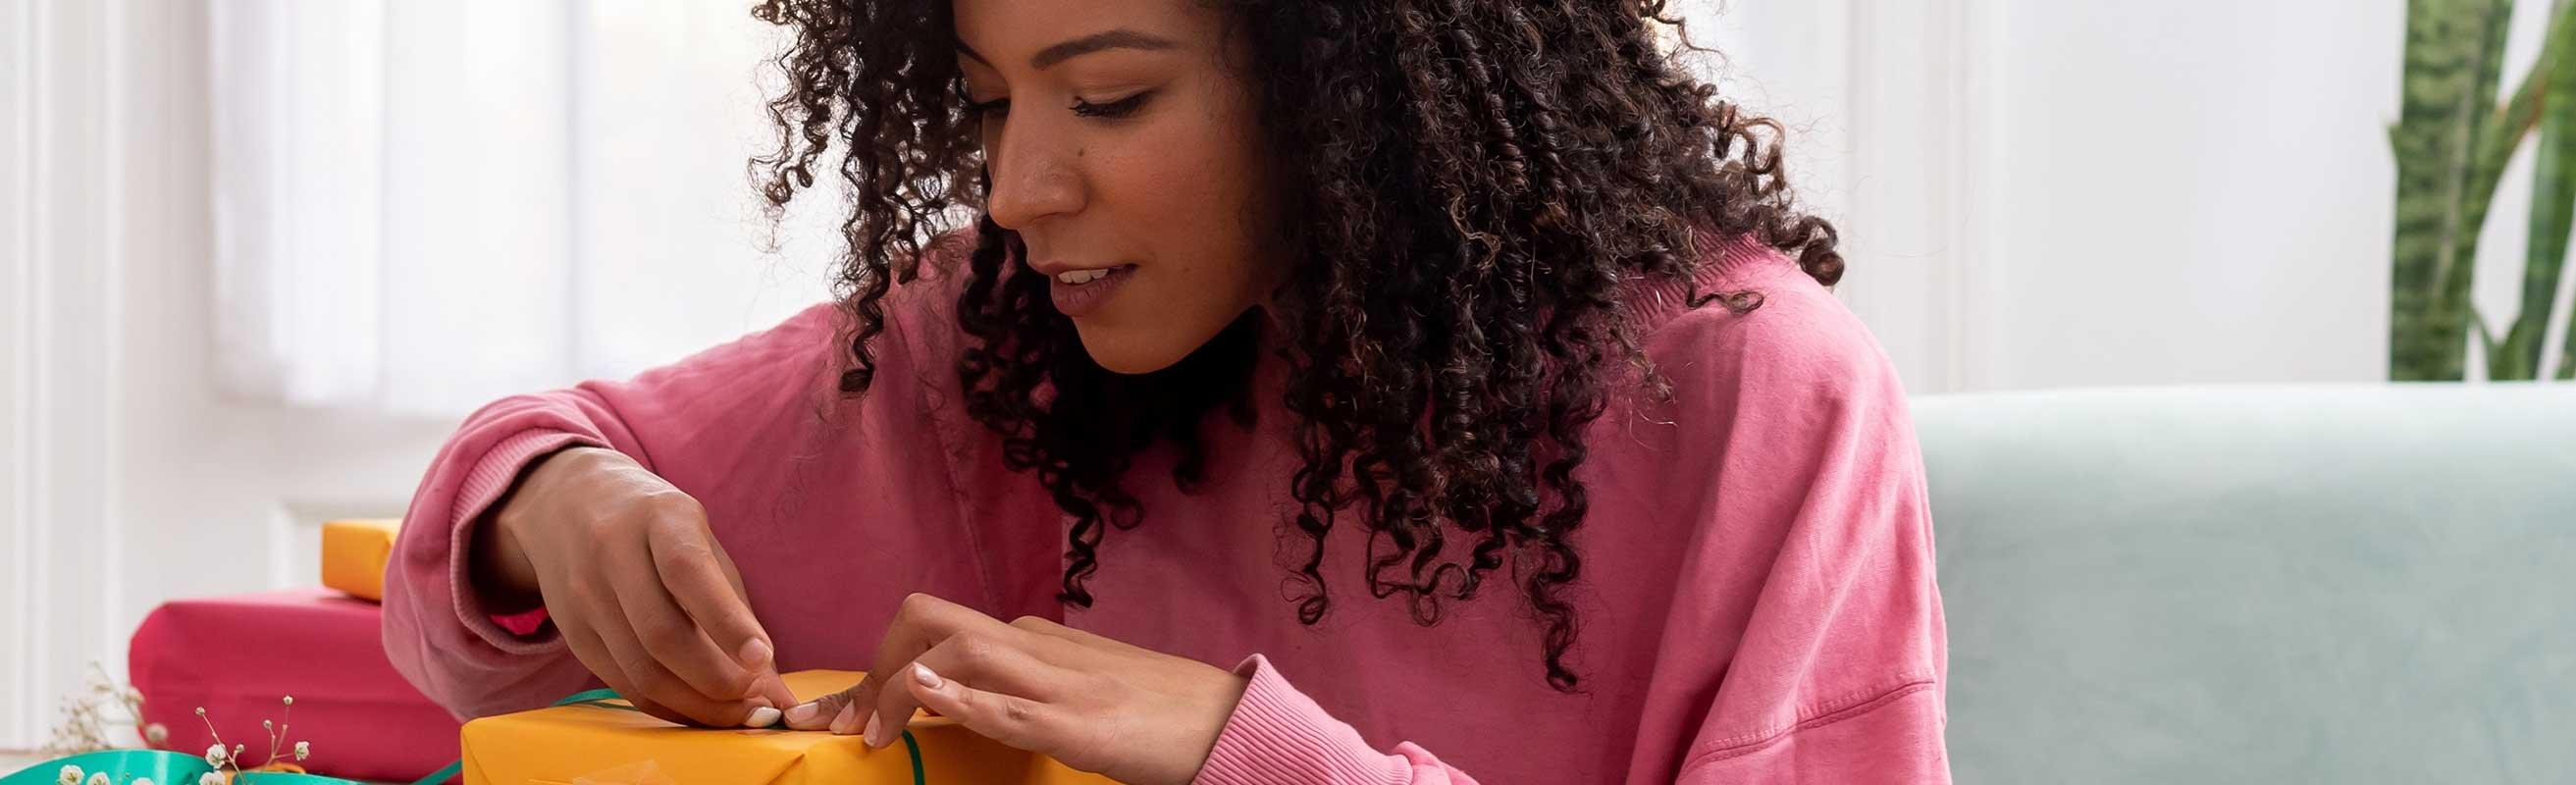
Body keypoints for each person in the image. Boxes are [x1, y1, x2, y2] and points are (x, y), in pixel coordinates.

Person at [379, 0, 1947, 781]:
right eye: (990, 103)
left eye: (1112, 96)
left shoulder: (1762, 396)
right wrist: (555, 505)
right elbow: (506, 554)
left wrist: (1243, 750)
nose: (1014, 190)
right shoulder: (993, 340)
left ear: (1346, 73)